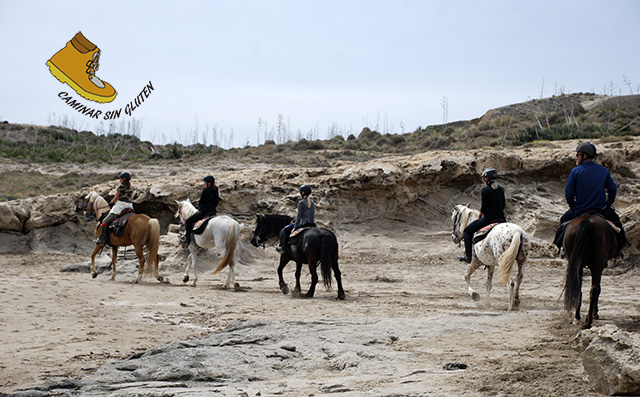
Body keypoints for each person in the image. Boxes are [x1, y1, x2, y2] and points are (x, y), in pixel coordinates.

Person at [555, 142, 627, 257]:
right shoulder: (603, 171)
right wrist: (608, 204)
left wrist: (573, 207)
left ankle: (561, 247)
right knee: (617, 223)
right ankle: (619, 250)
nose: (576, 157)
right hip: (601, 210)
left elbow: (569, 193)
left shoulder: (575, 171)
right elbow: (612, 190)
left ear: (584, 156)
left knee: (563, 222)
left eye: (578, 155)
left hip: (579, 210)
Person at [458, 168, 506, 263]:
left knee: (467, 231)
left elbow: (484, 207)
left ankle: (468, 257)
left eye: (484, 178)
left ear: (487, 179)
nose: (484, 180)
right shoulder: (501, 189)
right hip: (502, 218)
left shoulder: (485, 191)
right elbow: (503, 205)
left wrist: (481, 214)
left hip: (489, 218)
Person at [96, 172, 134, 246]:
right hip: (129, 206)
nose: (120, 180)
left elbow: (116, 198)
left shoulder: (120, 187)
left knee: (104, 221)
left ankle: (102, 238)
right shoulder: (131, 188)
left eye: (120, 178)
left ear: (124, 179)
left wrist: (111, 202)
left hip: (120, 207)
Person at [180, 175, 220, 245]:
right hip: (213, 211)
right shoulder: (216, 190)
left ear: (209, 183)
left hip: (204, 212)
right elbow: (216, 202)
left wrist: (200, 208)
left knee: (188, 221)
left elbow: (201, 201)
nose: (204, 184)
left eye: (205, 183)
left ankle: (187, 239)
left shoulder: (206, 191)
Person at [276, 184, 316, 253]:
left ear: (303, 193)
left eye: (301, 192)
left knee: (285, 230)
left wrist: (295, 226)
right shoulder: (312, 202)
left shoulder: (301, 202)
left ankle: (283, 248)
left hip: (303, 224)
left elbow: (299, 216)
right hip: (312, 224)